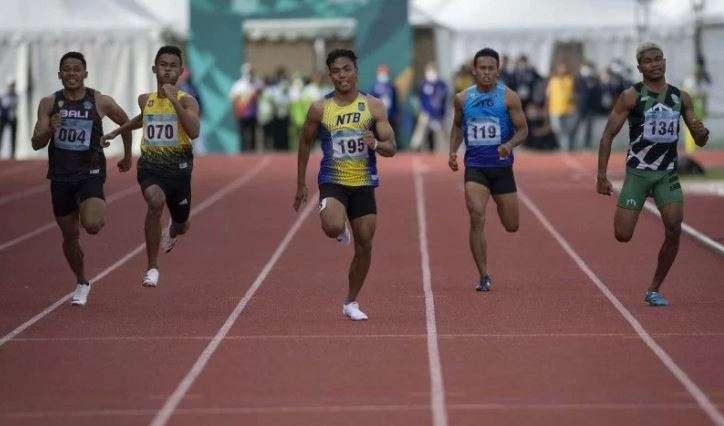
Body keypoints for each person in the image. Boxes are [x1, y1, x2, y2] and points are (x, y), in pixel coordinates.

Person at [596, 42, 710, 307]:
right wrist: (601, 175)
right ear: (640, 67)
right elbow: (607, 136)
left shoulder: (681, 98)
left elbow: (700, 139)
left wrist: (702, 133)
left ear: (664, 61)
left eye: (658, 59)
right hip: (637, 173)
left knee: (674, 228)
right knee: (622, 235)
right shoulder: (631, 96)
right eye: (648, 61)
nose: (654, 64)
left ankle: (654, 288)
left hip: (666, 174)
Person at [293, 48, 396, 320]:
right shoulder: (320, 108)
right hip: (333, 180)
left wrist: (376, 143)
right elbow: (304, 142)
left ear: (355, 71)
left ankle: (351, 302)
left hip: (364, 182)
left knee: (365, 245)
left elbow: (392, 147)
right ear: (330, 75)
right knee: (333, 225)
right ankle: (339, 229)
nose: (342, 76)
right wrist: (301, 183)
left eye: (346, 69)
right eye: (336, 71)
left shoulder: (373, 106)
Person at [31, 51, 132, 306]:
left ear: (85, 73)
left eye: (77, 69)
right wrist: (50, 128)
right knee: (70, 236)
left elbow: (126, 123)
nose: (72, 74)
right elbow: (36, 143)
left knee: (93, 225)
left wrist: (128, 156)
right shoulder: (49, 103)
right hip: (61, 177)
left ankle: (89, 207)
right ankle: (81, 280)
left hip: (90, 174)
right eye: (67, 69)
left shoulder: (100, 102)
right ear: (60, 74)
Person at [102, 45, 200, 288]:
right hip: (151, 167)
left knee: (182, 223)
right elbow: (143, 118)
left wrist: (174, 101)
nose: (167, 70)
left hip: (179, 170)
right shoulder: (145, 99)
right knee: (155, 202)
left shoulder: (188, 101)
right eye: (163, 65)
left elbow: (194, 131)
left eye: (173, 66)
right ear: (155, 69)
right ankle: (152, 267)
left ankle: (173, 232)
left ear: (180, 71)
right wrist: (118, 131)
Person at [448, 47, 528, 292]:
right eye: (481, 68)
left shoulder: (509, 97)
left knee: (511, 225)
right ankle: (483, 275)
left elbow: (523, 130)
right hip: (476, 168)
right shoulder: (462, 98)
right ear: (474, 70)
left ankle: (499, 203)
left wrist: (509, 144)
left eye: (490, 69)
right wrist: (452, 151)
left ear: (498, 71)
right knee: (476, 215)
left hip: (502, 169)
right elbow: (458, 126)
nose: (486, 73)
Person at [410, 62, 448, 152]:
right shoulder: (423, 84)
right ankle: (415, 148)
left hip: (438, 114)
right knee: (420, 130)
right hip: (426, 112)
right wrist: (427, 112)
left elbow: (444, 101)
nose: (430, 73)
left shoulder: (441, 84)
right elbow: (421, 99)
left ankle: (447, 150)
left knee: (442, 133)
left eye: (432, 70)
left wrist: (440, 115)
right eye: (428, 70)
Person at [546, 61, 576, 151]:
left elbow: (572, 94)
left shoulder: (570, 79)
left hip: (566, 109)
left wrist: (573, 105)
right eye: (560, 67)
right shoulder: (553, 80)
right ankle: (562, 146)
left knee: (565, 131)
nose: (562, 69)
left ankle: (565, 148)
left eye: (564, 67)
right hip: (554, 109)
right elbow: (548, 93)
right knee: (556, 129)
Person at [0, 81, 18, 158]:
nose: (12, 87)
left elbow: (15, 105)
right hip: (3, 117)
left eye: (13, 86)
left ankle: (12, 153)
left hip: (12, 117)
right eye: (11, 86)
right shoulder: (4, 95)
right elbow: (4, 104)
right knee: (1, 134)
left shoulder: (16, 96)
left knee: (13, 135)